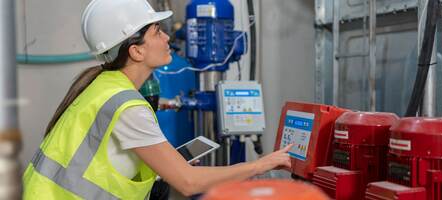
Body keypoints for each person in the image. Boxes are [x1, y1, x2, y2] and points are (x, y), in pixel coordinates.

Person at [22, 0, 293, 199]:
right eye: (157, 31)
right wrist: (262, 164)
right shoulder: (127, 106)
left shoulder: (102, 84)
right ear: (136, 51)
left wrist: (168, 162)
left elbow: (109, 159)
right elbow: (188, 183)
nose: (167, 38)